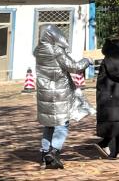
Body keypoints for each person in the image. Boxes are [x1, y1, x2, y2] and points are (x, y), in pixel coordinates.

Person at [32, 26, 91, 168]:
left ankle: (45, 152)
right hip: (59, 92)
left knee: (49, 124)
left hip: (45, 92)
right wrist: (87, 61)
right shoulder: (57, 51)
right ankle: (54, 151)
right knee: (62, 123)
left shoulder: (39, 50)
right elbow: (74, 66)